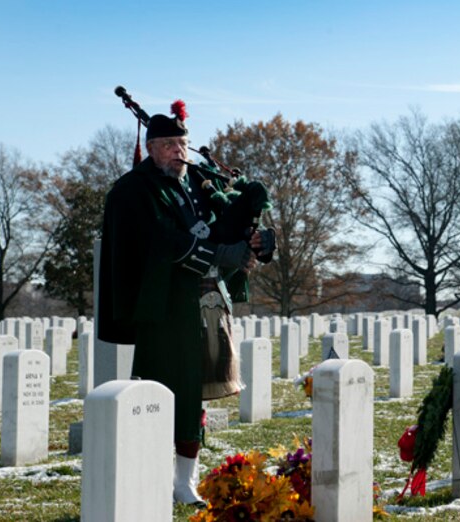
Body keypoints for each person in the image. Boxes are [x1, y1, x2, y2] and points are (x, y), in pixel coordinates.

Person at [98, 104, 267, 506]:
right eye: (170, 144)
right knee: (171, 391)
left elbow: (221, 224)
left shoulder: (196, 183)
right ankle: (160, 475)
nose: (179, 151)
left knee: (196, 393)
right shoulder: (134, 190)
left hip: (204, 301)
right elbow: (162, 241)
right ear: (152, 147)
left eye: (183, 143)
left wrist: (247, 235)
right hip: (164, 308)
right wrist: (222, 252)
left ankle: (183, 481)